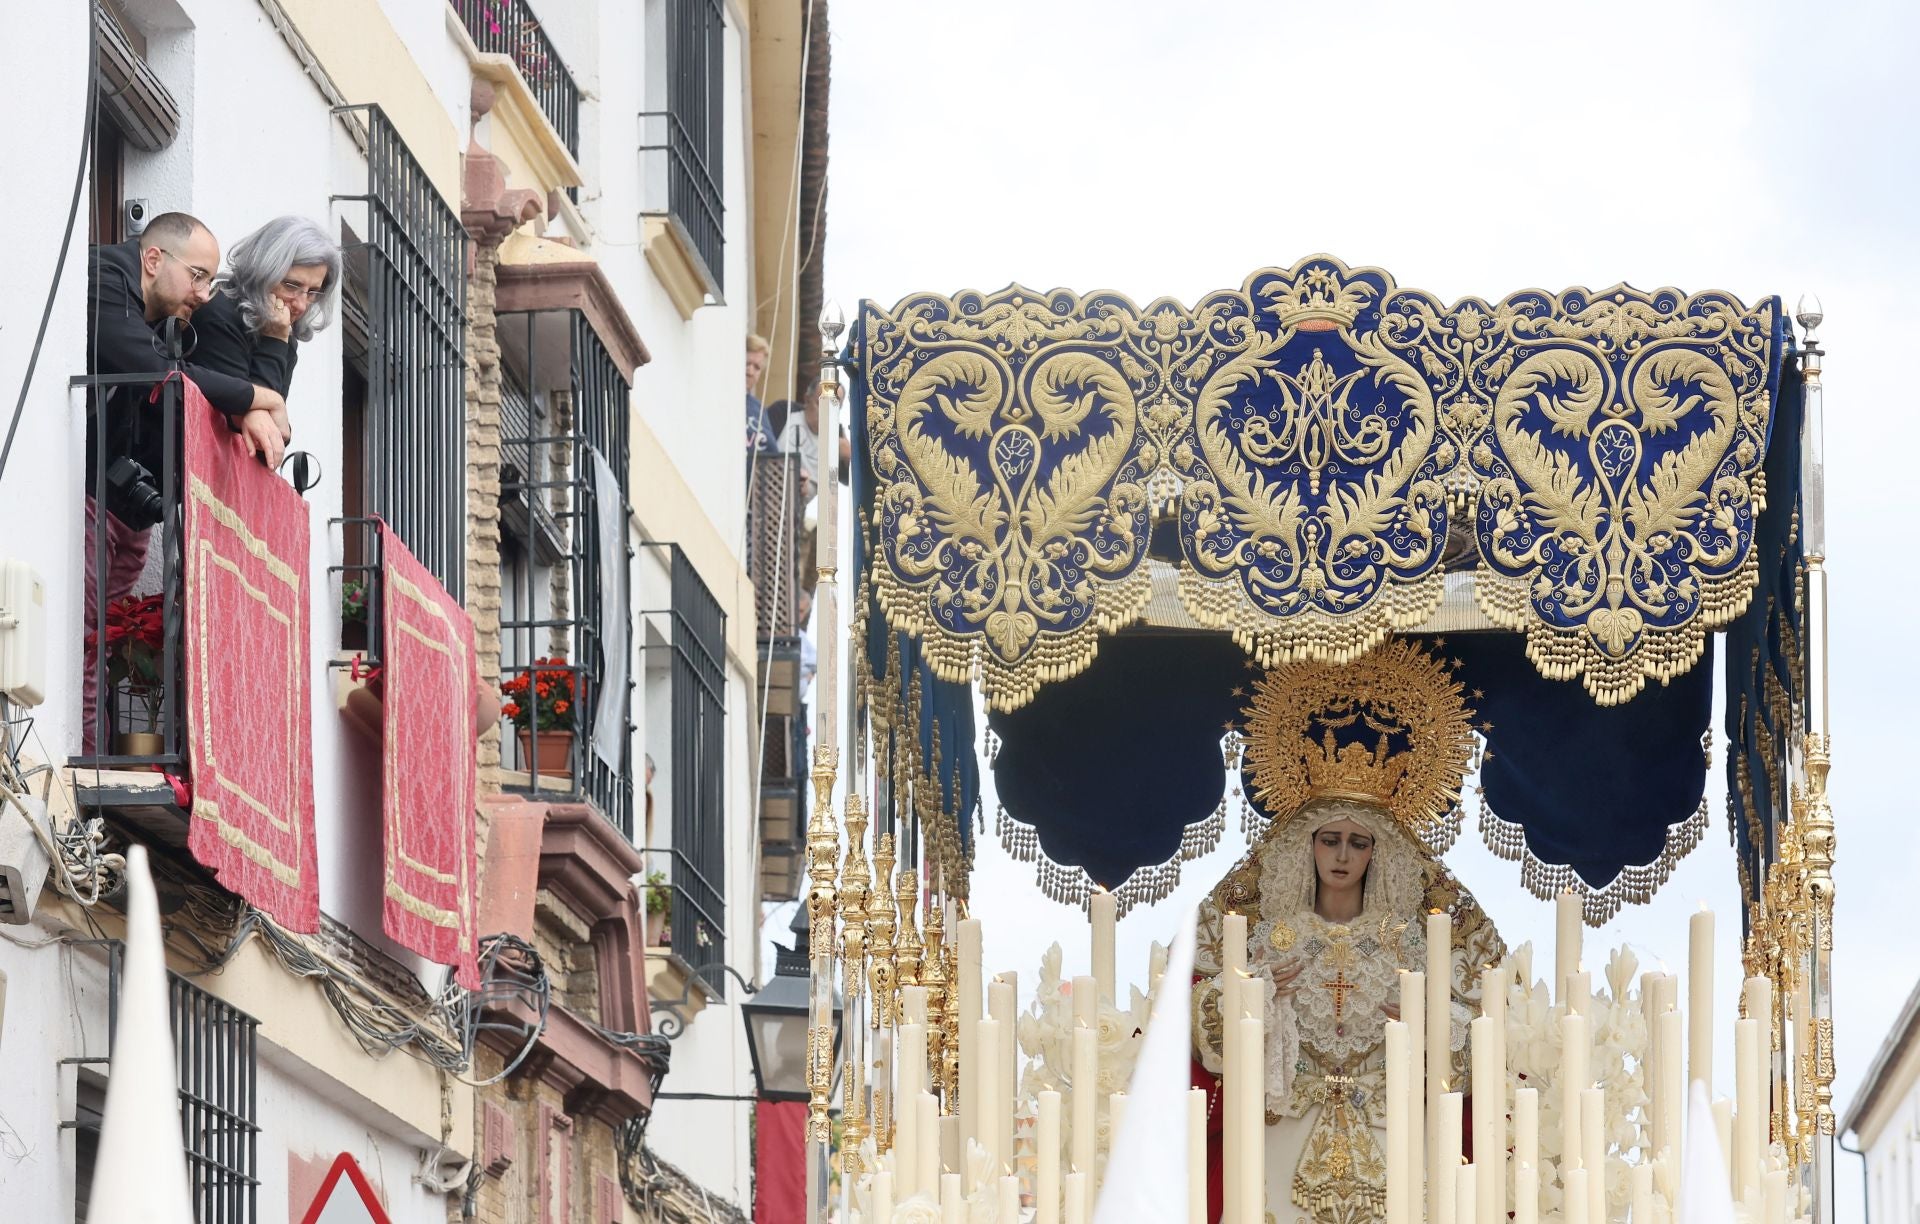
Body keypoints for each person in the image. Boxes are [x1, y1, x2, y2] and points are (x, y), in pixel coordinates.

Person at [83, 211, 286, 751]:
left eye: (210, 280)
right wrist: (255, 398)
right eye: (198, 276)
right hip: (89, 498)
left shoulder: (168, 314)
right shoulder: (104, 277)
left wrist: (265, 370)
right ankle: (85, 756)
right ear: (154, 259)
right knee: (85, 635)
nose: (203, 293)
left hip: (127, 504)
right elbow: (146, 365)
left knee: (98, 637)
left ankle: (99, 751)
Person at [192, 215, 343, 445]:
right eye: (292, 285)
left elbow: (272, 427)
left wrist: (278, 340)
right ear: (264, 270)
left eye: (312, 292)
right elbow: (259, 431)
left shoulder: (281, 331)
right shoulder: (220, 312)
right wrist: (274, 342)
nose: (301, 304)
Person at [745, 332, 778, 456]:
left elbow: (773, 455)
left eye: (757, 367)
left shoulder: (758, 409)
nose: (750, 372)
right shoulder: (721, 399)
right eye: (747, 363)